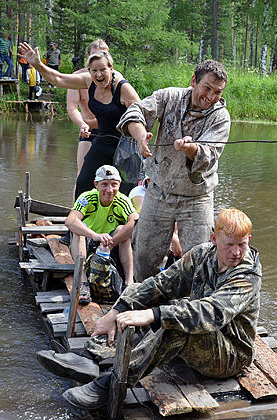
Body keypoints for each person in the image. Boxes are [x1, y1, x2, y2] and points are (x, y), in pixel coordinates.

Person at [36, 208, 261, 411]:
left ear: (249, 240)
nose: (236, 252)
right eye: (229, 245)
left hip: (230, 355)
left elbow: (209, 313)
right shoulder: (202, 254)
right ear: (214, 239)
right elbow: (161, 284)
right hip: (205, 338)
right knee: (145, 299)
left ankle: (112, 383)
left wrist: (151, 315)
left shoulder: (246, 275)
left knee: (171, 322)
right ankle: (89, 357)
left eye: (242, 244)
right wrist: (119, 310)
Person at [117, 60, 231, 283]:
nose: (211, 96)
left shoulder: (221, 117)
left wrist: (190, 148)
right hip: (158, 191)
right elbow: (135, 112)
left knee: (200, 260)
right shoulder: (169, 97)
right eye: (206, 88)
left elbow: (207, 157)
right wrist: (141, 135)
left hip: (196, 198)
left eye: (217, 92)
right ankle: (143, 304)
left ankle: (193, 309)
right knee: (144, 255)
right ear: (193, 81)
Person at [19, 42, 141, 199]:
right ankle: (79, 218)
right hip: (101, 139)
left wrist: (141, 138)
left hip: (125, 143)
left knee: (125, 188)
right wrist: (37, 65)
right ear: (89, 69)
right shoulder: (87, 80)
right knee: (84, 181)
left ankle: (126, 221)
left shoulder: (122, 87)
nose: (98, 75)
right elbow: (58, 79)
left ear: (111, 68)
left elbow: (140, 114)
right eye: (94, 71)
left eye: (103, 70)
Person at [65, 165, 138, 304]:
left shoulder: (122, 200)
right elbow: (70, 221)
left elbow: (135, 220)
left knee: (123, 229)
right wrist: (94, 235)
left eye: (113, 185)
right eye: (104, 185)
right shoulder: (88, 197)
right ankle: (83, 281)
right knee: (78, 229)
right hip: (88, 242)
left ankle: (129, 282)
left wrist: (113, 242)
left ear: (119, 185)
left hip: (109, 243)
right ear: (96, 184)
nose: (109, 190)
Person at [67, 39, 117, 204]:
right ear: (89, 56)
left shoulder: (115, 78)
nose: (102, 56)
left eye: (105, 54)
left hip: (110, 131)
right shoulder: (78, 78)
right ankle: (77, 211)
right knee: (82, 175)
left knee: (112, 175)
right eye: (97, 53)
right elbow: (72, 107)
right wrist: (82, 124)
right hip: (88, 129)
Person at [129, 177, 182, 264]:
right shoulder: (138, 192)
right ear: (149, 181)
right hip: (143, 232)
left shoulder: (168, 194)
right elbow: (145, 216)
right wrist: (174, 238)